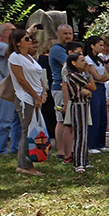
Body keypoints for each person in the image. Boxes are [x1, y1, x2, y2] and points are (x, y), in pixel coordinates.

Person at [9, 28, 46, 175]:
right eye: (26, 38)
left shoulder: (30, 57)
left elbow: (39, 76)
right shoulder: (15, 57)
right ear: (18, 43)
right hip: (25, 98)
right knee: (27, 132)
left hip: (36, 98)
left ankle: (24, 163)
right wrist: (35, 96)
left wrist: (43, 92)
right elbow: (21, 79)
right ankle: (25, 166)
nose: (30, 40)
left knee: (33, 131)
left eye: (30, 37)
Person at [63, 52, 95, 172]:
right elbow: (92, 87)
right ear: (74, 63)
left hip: (83, 104)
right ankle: (79, 162)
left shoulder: (77, 75)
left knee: (84, 133)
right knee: (80, 134)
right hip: (78, 105)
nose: (85, 63)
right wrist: (88, 74)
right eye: (82, 61)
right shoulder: (75, 75)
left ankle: (84, 160)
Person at [0, 23, 21, 157]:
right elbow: (10, 50)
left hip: (18, 86)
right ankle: (1, 150)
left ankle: (15, 147)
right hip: (7, 87)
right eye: (13, 30)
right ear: (4, 33)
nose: (16, 33)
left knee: (18, 120)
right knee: (5, 120)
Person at [49, 24, 75, 161]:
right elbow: (70, 64)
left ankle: (69, 149)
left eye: (70, 33)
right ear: (58, 34)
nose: (68, 36)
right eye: (65, 33)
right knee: (61, 119)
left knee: (68, 120)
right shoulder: (57, 50)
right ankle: (61, 151)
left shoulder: (66, 49)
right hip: (60, 88)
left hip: (67, 87)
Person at [83, 36, 109, 152]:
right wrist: (102, 78)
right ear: (92, 46)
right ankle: (92, 144)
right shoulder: (87, 60)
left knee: (102, 115)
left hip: (101, 88)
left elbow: (108, 75)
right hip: (93, 88)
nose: (102, 47)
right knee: (94, 116)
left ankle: (101, 143)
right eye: (100, 45)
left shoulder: (100, 60)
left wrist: (102, 78)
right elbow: (97, 77)